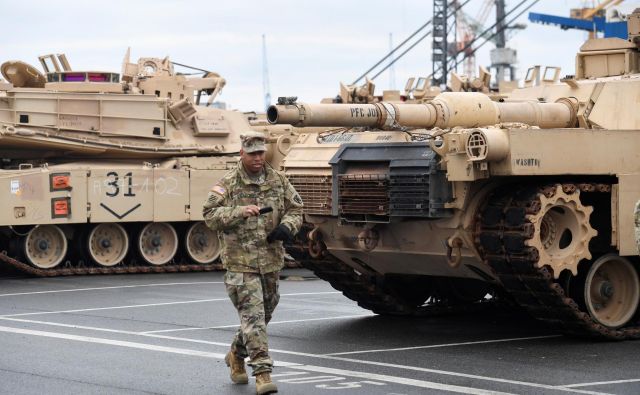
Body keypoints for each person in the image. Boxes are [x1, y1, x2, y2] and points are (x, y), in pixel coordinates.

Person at [202, 130, 303, 395]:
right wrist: (239, 212)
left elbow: (296, 208)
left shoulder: (277, 179)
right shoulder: (228, 183)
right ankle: (262, 373)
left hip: (270, 260)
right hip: (240, 264)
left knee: (264, 313)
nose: (258, 158)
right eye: (253, 153)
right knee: (254, 318)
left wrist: (287, 227)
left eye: (261, 153)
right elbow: (210, 215)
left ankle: (236, 354)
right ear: (242, 153)